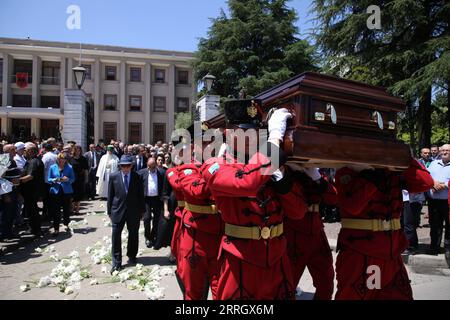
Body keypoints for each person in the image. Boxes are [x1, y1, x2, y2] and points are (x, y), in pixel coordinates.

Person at [201, 101, 307, 300]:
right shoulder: (214, 165)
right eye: (243, 132)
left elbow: (298, 212)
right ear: (228, 132)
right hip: (240, 261)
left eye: (256, 131)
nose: (250, 137)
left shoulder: (270, 165)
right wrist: (275, 140)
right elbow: (247, 182)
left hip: (277, 260)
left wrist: (283, 184)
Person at [334, 159, 434, 300]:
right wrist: (370, 178)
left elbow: (426, 183)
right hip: (363, 253)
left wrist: (405, 157)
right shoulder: (348, 169)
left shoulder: (392, 170)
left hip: (392, 254)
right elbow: (352, 206)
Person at [283, 167, 337, 300]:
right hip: (293, 232)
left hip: (316, 233)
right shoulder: (286, 170)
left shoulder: (318, 172)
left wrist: (318, 178)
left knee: (326, 282)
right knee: (287, 286)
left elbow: (334, 198)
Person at [107, 155, 145, 273]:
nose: (125, 168)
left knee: (133, 234)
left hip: (133, 211)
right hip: (117, 211)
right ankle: (116, 262)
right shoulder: (114, 177)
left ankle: (132, 255)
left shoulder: (137, 177)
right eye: (123, 166)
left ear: (131, 166)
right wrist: (109, 211)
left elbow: (141, 195)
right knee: (116, 236)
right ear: (120, 166)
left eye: (128, 165)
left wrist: (142, 210)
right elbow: (110, 195)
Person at [426, 144, 450, 256]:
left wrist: (444, 185)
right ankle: (434, 247)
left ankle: (448, 248)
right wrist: (433, 184)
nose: (445, 152)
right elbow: (427, 176)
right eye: (443, 150)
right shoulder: (434, 163)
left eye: (447, 150)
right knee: (435, 225)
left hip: (447, 201)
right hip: (434, 200)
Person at [19, 142, 45, 238]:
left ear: (30, 151)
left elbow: (30, 176)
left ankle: (35, 230)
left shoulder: (34, 161)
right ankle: (34, 229)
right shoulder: (33, 160)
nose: (24, 152)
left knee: (32, 210)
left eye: (25, 150)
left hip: (32, 191)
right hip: (31, 191)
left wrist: (17, 181)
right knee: (32, 210)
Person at [138, 158, 165, 248]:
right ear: (147, 165)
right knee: (147, 218)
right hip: (146, 199)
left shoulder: (161, 173)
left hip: (157, 199)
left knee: (157, 219)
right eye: (150, 166)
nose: (151, 168)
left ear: (156, 166)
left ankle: (153, 235)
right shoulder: (142, 173)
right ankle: (147, 236)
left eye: (153, 167)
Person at [48, 153, 75, 236]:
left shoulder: (69, 167)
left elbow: (73, 178)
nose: (62, 160)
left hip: (66, 191)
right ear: (57, 159)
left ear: (65, 160)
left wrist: (67, 180)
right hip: (55, 191)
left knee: (66, 209)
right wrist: (54, 180)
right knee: (56, 210)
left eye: (63, 159)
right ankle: (56, 229)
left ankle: (66, 224)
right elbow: (48, 179)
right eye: (60, 159)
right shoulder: (52, 167)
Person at [41, 143, 57, 221]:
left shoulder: (45, 157)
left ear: (44, 149)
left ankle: (47, 215)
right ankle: (53, 214)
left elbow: (42, 168)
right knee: (53, 199)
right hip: (55, 180)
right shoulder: (56, 156)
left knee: (46, 200)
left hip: (47, 181)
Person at [70, 146, 88, 214]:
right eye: (76, 150)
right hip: (72, 178)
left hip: (80, 178)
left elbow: (86, 169)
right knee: (72, 194)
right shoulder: (71, 159)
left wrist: (86, 179)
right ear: (74, 151)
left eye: (79, 150)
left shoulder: (83, 159)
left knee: (79, 194)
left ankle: (77, 210)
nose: (78, 151)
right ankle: (72, 209)